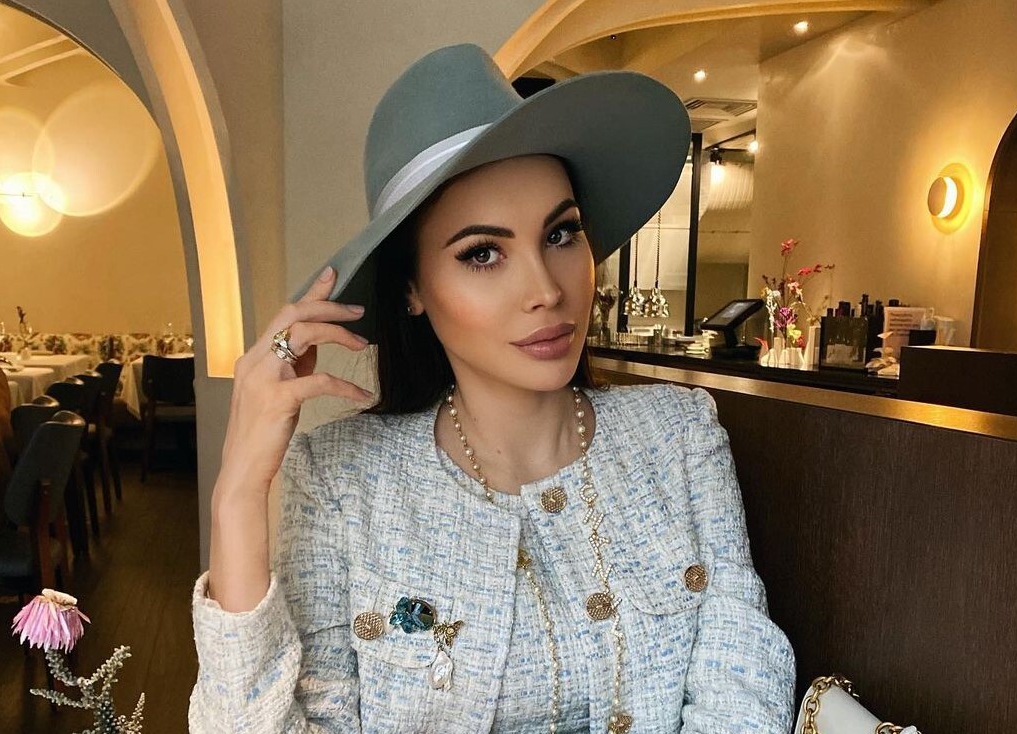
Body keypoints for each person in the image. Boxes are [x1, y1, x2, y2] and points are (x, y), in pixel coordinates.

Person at [189, 43, 795, 733]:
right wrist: (237, 496)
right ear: (413, 289)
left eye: (561, 235)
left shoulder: (679, 435)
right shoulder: (340, 480)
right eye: (483, 253)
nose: (545, 290)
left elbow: (742, 690)